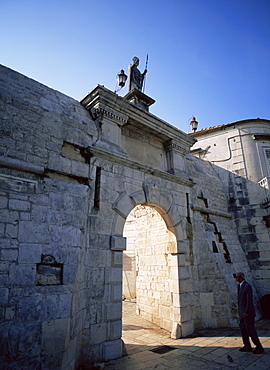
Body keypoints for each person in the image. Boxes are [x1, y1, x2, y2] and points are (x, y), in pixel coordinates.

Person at [234, 272, 264, 354]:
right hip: (241, 313)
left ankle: (259, 347)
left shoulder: (247, 286)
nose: (235, 279)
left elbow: (249, 301)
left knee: (250, 330)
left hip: (247, 313)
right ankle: (247, 346)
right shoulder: (239, 286)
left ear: (241, 278)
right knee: (243, 330)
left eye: (236, 277)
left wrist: (246, 311)